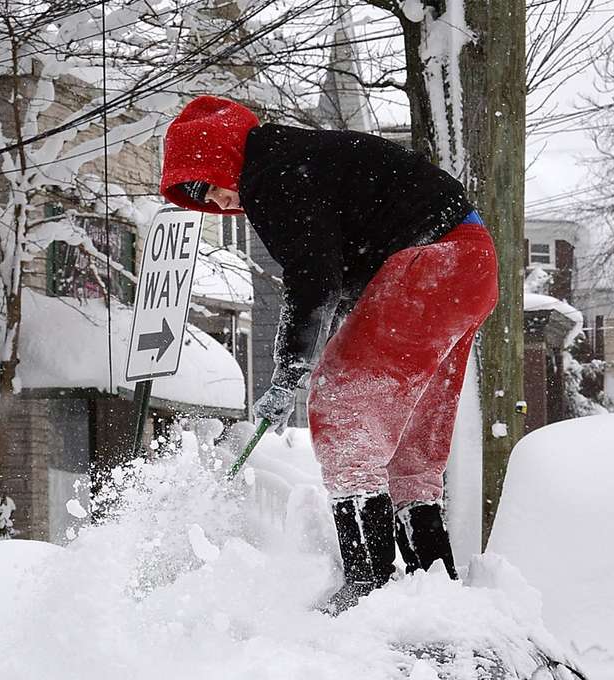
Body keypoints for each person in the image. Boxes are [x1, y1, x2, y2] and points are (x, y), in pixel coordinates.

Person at [160, 95, 498, 612]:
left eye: (207, 184)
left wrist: (292, 367)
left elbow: (313, 277)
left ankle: (369, 584)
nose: (217, 202)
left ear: (220, 157)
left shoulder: (273, 176)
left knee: (343, 403)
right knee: (409, 438)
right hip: (468, 265)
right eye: (198, 196)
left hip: (431, 263)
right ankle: (435, 585)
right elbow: (343, 268)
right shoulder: (300, 159)